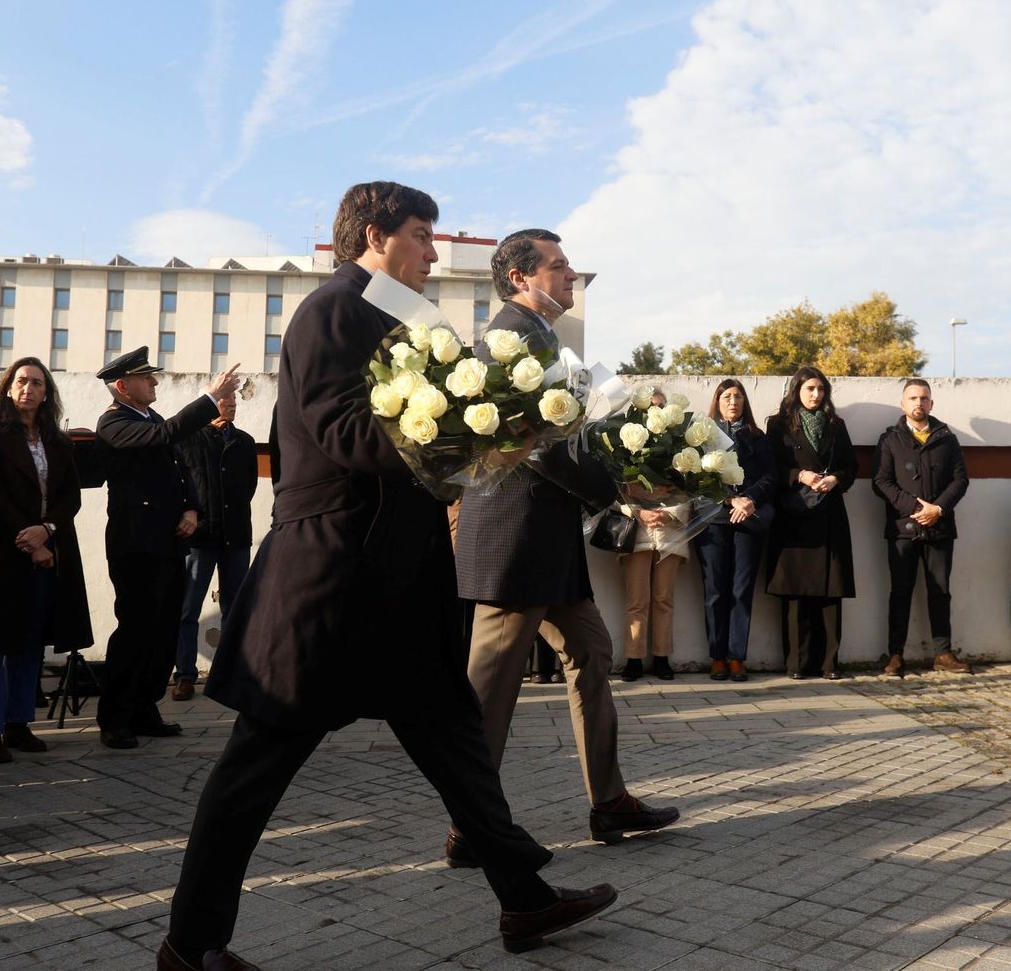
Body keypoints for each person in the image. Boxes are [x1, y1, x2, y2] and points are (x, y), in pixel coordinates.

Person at [160, 183, 614, 971]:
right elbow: (345, 434)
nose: (435, 252)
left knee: (455, 742)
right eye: (422, 234)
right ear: (375, 236)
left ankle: (526, 899)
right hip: (331, 577)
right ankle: (189, 947)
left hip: (395, 575)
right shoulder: (334, 309)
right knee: (254, 767)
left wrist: (490, 434)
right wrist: (473, 433)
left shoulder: (392, 316)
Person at [454, 228, 678, 859]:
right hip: (515, 538)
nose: (571, 274)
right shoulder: (508, 339)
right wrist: (622, 488)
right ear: (522, 277)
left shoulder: (542, 337)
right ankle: (470, 825)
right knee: (490, 691)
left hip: (546, 540)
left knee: (593, 654)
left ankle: (609, 803)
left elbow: (564, 438)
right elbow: (541, 450)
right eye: (559, 266)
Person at [93, 346, 241, 749]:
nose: (155, 382)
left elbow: (179, 469)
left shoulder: (149, 416)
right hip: (136, 542)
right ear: (123, 386)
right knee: (137, 630)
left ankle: (145, 708)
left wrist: (191, 507)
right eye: (146, 378)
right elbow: (167, 435)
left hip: (168, 540)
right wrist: (210, 397)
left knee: (162, 631)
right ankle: (116, 718)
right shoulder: (114, 423)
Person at [0, 358, 91, 763]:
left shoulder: (56, 438)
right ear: (8, 388)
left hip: (50, 549)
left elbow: (71, 496)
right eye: (21, 381)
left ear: (47, 392)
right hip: (0, 552)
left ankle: (18, 723)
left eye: (37, 383)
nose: (29, 389)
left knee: (29, 641)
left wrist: (46, 530)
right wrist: (28, 537)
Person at [871, 378, 971, 676]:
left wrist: (937, 509)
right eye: (913, 398)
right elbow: (881, 482)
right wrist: (915, 508)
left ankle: (943, 654)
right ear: (903, 404)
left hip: (940, 527)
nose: (919, 403)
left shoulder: (947, 439)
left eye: (924, 398)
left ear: (931, 403)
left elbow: (960, 480)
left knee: (940, 591)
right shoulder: (889, 440)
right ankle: (896, 654)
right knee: (900, 591)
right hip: (903, 528)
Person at [766, 368, 856, 680]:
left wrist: (835, 479)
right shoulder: (777, 425)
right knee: (795, 592)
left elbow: (851, 467)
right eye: (810, 389)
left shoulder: (836, 424)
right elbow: (770, 468)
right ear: (796, 391)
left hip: (829, 515)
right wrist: (798, 475)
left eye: (820, 389)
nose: (816, 395)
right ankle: (796, 663)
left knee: (830, 592)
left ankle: (829, 663)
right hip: (794, 516)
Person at [170, 392, 258, 701]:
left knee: (235, 609)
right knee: (187, 609)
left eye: (234, 400)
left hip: (236, 538)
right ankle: (184, 675)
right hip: (199, 539)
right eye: (225, 399)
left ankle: (231, 673)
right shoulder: (188, 440)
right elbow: (180, 485)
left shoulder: (245, 443)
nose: (232, 404)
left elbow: (249, 487)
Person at [693, 378, 775, 682]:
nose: (732, 402)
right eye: (726, 396)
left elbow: (770, 477)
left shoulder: (758, 437)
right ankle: (717, 657)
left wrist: (750, 500)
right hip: (713, 521)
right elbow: (696, 480)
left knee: (741, 590)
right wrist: (730, 498)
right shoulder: (701, 437)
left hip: (748, 520)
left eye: (738, 396)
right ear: (717, 401)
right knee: (715, 590)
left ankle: (737, 657)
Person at [612, 387, 689, 682]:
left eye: (660, 407)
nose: (654, 412)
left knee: (664, 599)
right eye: (649, 408)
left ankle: (661, 657)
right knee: (636, 600)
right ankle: (633, 658)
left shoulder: (680, 445)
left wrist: (669, 512)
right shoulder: (624, 446)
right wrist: (639, 510)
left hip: (670, 532)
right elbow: (615, 491)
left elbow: (692, 485)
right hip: (637, 532)